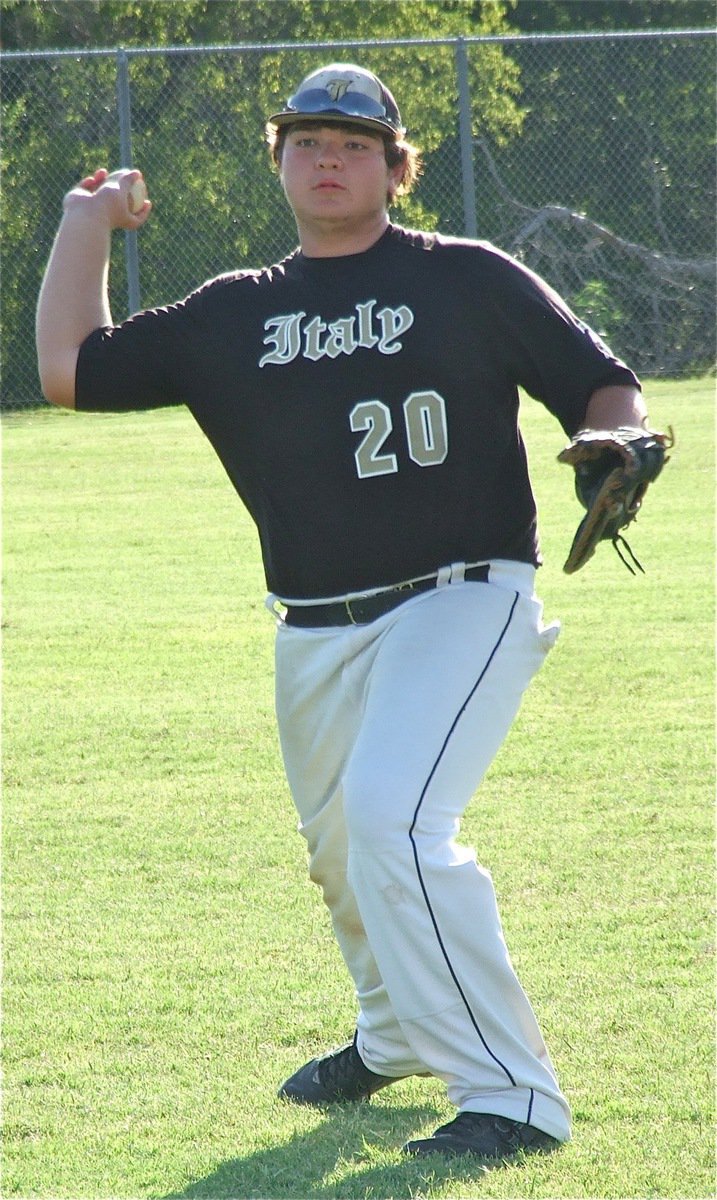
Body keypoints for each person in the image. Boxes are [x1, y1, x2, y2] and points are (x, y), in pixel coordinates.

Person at [36, 63, 646, 1165]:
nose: (328, 157)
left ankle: (515, 1095)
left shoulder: (468, 278)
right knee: (341, 855)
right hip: (313, 625)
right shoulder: (235, 311)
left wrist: (622, 439)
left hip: (463, 596)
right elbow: (68, 368)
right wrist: (85, 224)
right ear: (277, 161)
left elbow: (602, 382)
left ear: (396, 168)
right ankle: (395, 1032)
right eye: (308, 139)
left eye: (354, 143)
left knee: (393, 824)